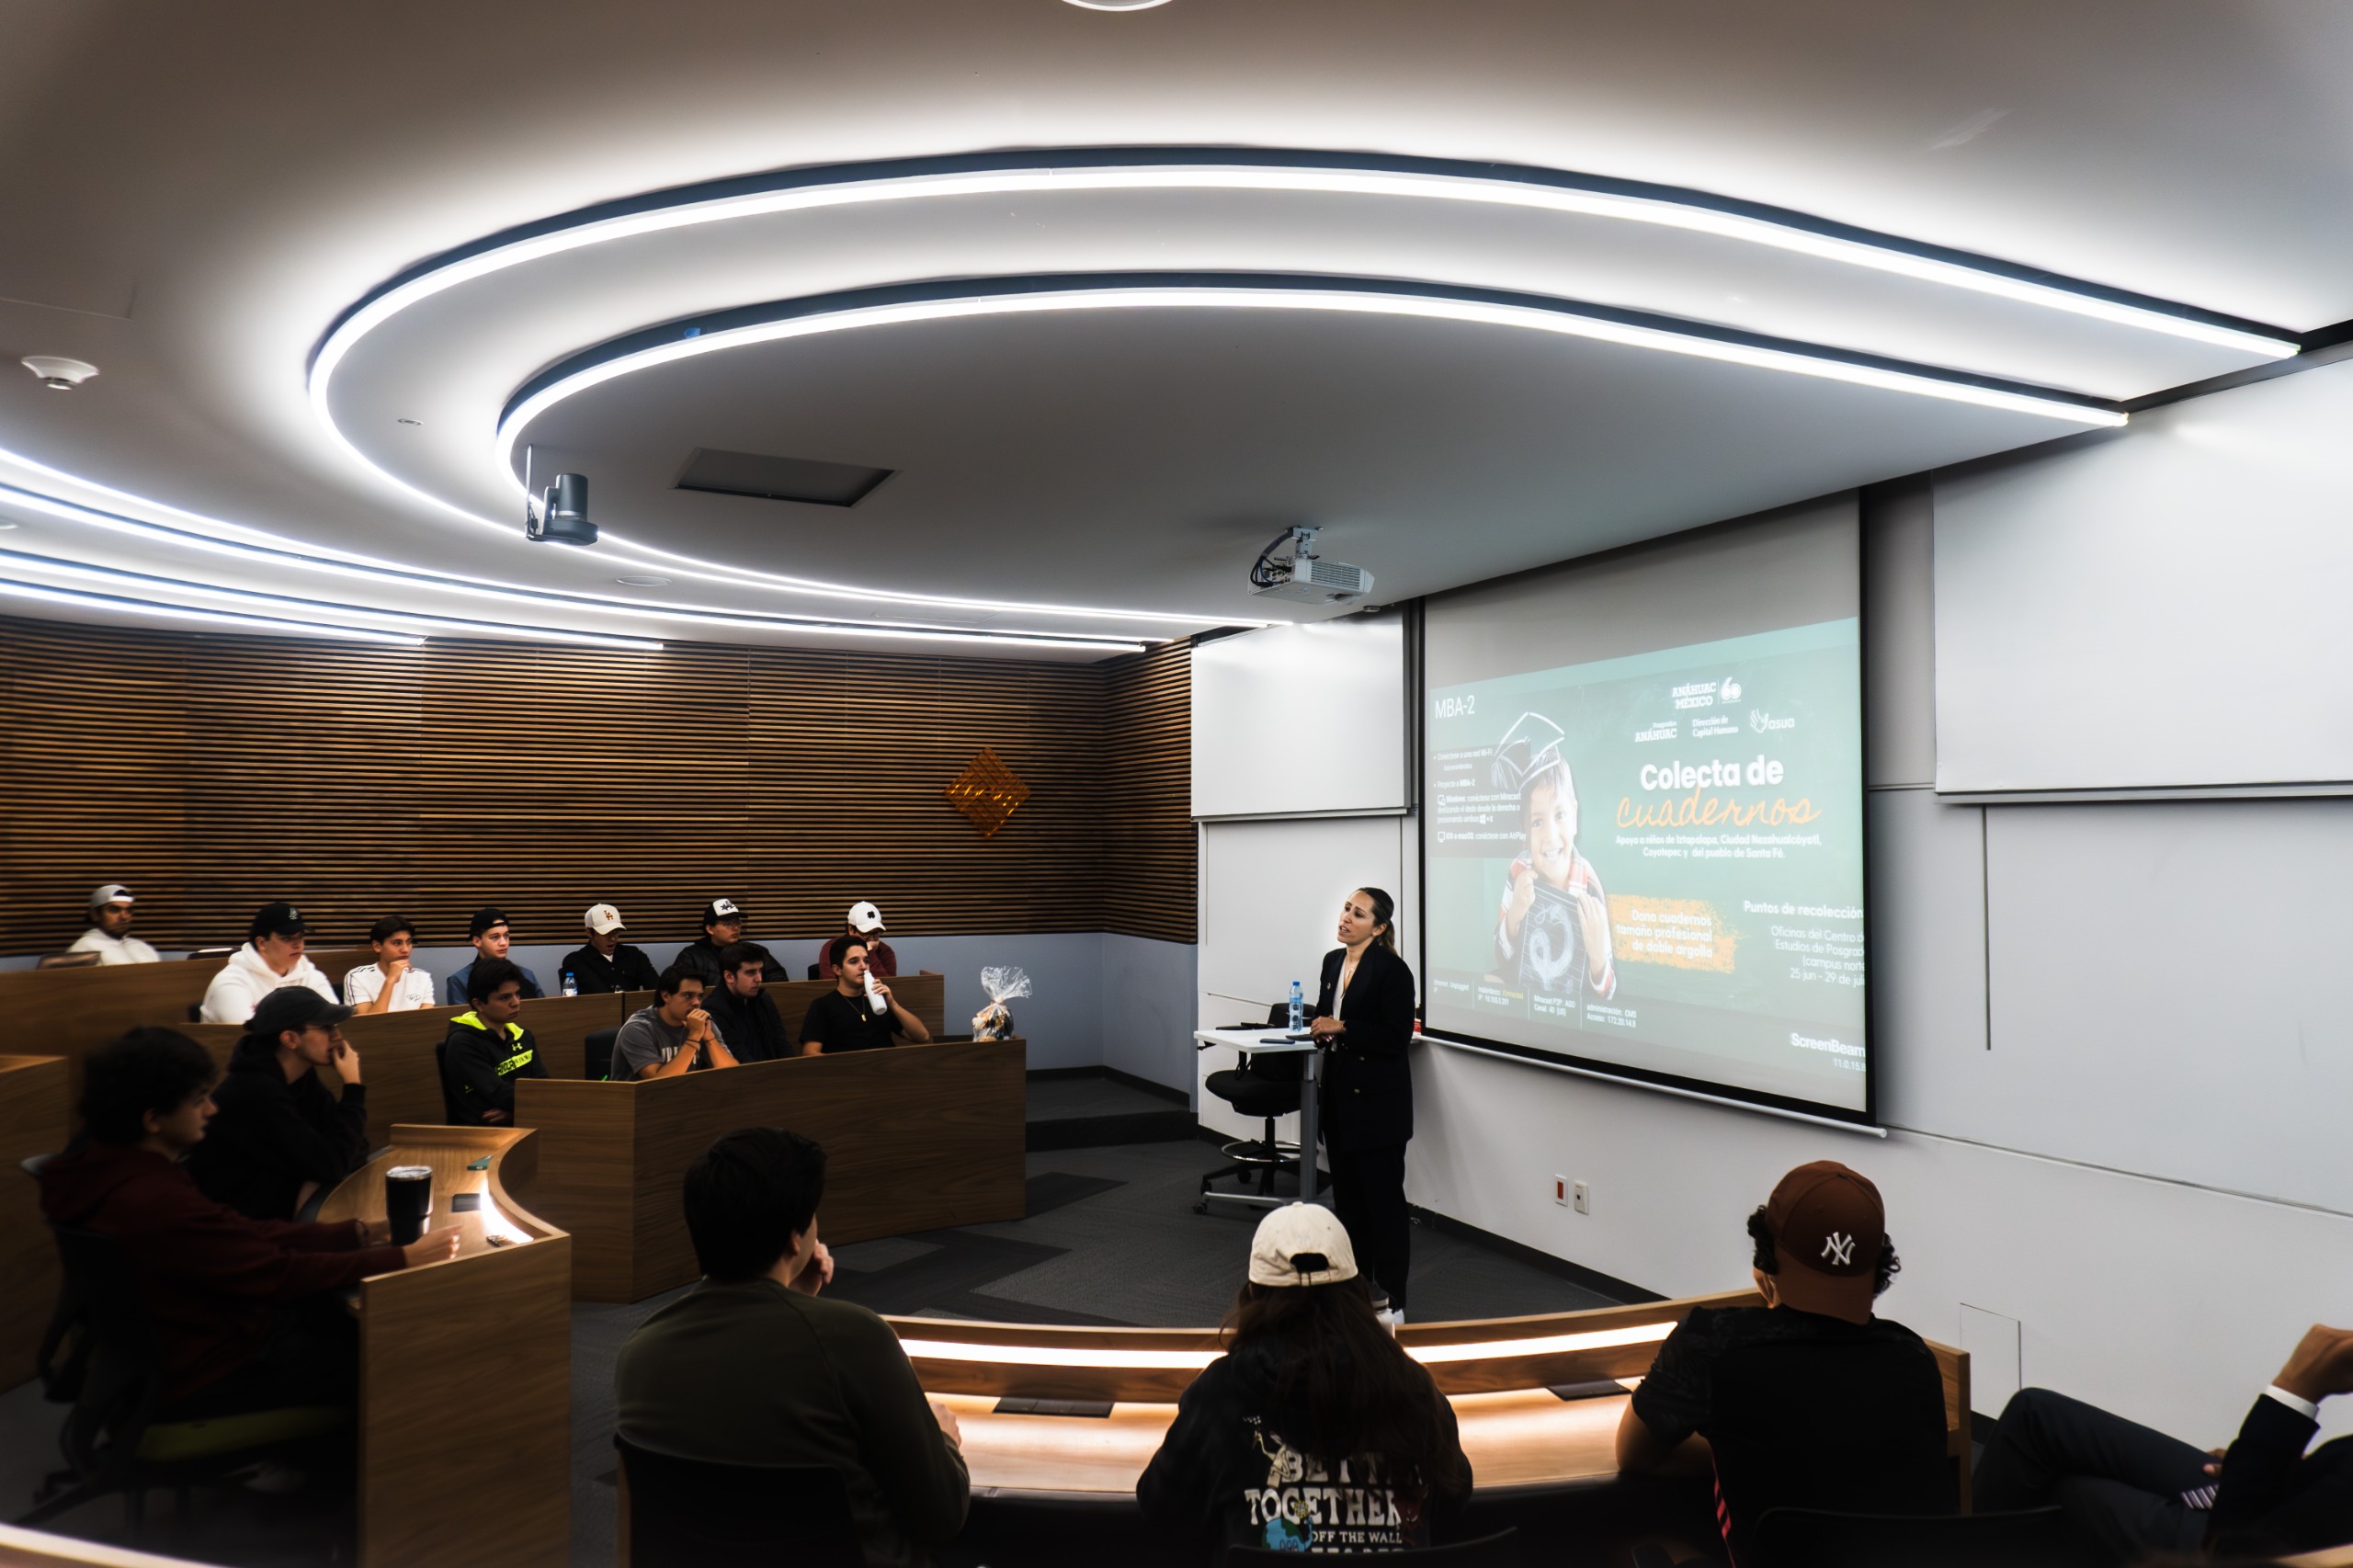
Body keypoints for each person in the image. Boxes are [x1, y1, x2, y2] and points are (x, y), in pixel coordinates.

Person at [38, 1028, 459, 1417]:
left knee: (329, 1318)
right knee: (390, 1351)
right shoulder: (152, 1198)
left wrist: (358, 1233)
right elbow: (279, 1273)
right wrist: (405, 1257)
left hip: (163, 1354)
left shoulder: (104, 1168)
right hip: (207, 1372)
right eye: (199, 1098)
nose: (212, 1107)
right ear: (153, 1118)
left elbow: (239, 1233)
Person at [615, 1127, 969, 1568]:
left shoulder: (640, 1353)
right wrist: (943, 1439)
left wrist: (798, 1300)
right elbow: (940, 1515)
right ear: (795, 1238)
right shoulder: (855, 1337)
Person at [1616, 1161, 1949, 1567]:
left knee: (1644, 1543)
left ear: (1766, 1257)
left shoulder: (1712, 1343)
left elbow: (1635, 1456)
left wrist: (1736, 1444)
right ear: (1879, 1265)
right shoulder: (1912, 1357)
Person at [1139, 1201, 1471, 1556]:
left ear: (1253, 1295)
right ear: (1358, 1294)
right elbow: (1454, 1501)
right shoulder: (1413, 1388)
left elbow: (1162, 1509)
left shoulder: (1220, 1393)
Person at [1977, 1327, 2353, 1561]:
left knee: (2074, 1491)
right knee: (2036, 1413)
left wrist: (2293, 1392)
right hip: (2308, 1492)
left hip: (2263, 1538)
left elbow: (2236, 1554)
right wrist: (2277, 1463)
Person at [1306, 887, 1418, 1320]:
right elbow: (1325, 1015)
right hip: (1337, 1104)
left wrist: (1344, 1027)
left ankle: (1394, 1301)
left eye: (1358, 913)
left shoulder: (1393, 971)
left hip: (1378, 1110)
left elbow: (1395, 1037)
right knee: (1349, 1207)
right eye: (1346, 908)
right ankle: (1357, 1295)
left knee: (1384, 1209)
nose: (1346, 917)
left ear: (1379, 927)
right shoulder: (1333, 962)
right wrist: (1320, 1025)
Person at [188, 988, 372, 1222]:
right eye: (326, 1028)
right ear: (290, 1039)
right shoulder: (254, 1091)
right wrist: (353, 1088)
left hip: (277, 1204)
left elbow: (355, 1147)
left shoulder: (301, 1078)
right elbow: (333, 1162)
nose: (337, 1037)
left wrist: (316, 1175)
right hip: (238, 1221)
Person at [1488, 715, 1614, 1001]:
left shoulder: (1589, 887)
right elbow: (1501, 955)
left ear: (1575, 817)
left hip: (1569, 1011)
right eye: (1537, 822)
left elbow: (1606, 993)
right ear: (1524, 830)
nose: (1550, 835)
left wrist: (1597, 958)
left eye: (1559, 816)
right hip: (1526, 1001)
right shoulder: (1519, 870)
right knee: (1490, 981)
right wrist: (1516, 912)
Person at [440, 958, 550, 1125]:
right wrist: (529, 1108)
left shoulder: (523, 1035)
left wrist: (514, 1114)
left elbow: (544, 1086)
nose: (516, 1003)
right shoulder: (462, 1042)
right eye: (505, 998)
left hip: (523, 1122)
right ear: (479, 1004)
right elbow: (498, 1094)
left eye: (517, 994)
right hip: (481, 1132)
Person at [199, 903, 339, 1024]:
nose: (297, 944)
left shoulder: (312, 975)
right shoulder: (230, 983)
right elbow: (252, 1040)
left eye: (300, 937)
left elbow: (335, 1023)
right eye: (287, 938)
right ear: (261, 943)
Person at [800, 936, 931, 1055]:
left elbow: (922, 1037)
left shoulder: (878, 1000)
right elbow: (810, 1052)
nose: (863, 966)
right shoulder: (823, 1005)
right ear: (837, 969)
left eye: (866, 960)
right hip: (848, 1075)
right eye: (854, 961)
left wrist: (892, 1004)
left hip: (886, 1071)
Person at [614, 964, 742, 1080]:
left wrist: (709, 1038)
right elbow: (658, 1083)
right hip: (639, 1103)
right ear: (666, 996)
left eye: (700, 996)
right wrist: (693, 1037)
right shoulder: (638, 1029)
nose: (696, 1003)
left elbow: (732, 1075)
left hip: (683, 1100)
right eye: (688, 995)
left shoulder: (702, 1023)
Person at [706, 942, 791, 1063]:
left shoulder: (762, 998)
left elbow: (781, 1043)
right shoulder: (713, 1009)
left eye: (760, 971)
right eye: (750, 972)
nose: (759, 979)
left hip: (775, 1074)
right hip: (742, 1078)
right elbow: (738, 1055)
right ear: (729, 976)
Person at [443, 907, 542, 1006]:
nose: (504, 943)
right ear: (477, 941)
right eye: (495, 937)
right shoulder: (460, 980)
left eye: (506, 936)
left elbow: (543, 1011)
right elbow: (462, 1020)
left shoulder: (526, 975)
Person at [556, 903, 659, 995]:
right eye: (605, 933)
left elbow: (656, 989)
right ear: (589, 933)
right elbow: (570, 1003)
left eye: (616, 931)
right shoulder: (575, 962)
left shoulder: (633, 955)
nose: (613, 938)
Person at [343, 915, 435, 1014]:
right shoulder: (357, 977)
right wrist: (390, 981)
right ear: (377, 946)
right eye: (397, 943)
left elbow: (425, 1021)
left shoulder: (422, 977)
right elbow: (369, 1025)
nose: (405, 949)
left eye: (409, 942)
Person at [67, 882, 160, 964]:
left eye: (128, 911)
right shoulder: (84, 947)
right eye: (114, 910)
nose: (124, 916)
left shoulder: (140, 946)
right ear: (95, 915)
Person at [672, 897, 746, 988]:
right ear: (710, 929)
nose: (735, 928)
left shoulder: (753, 952)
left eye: (737, 922)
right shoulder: (691, 956)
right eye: (727, 924)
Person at [816, 901, 898, 981]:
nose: (872, 938)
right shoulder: (831, 948)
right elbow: (831, 985)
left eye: (876, 933)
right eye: (866, 933)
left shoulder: (885, 951)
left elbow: (888, 986)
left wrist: (870, 952)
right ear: (851, 930)